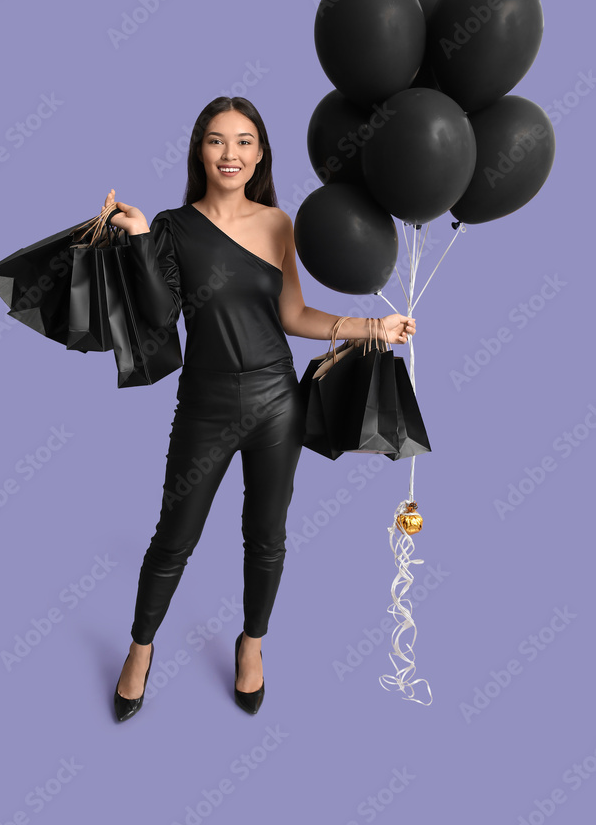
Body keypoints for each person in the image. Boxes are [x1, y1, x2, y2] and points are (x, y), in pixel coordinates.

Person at [106, 96, 416, 721]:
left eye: (244, 141)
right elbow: (163, 315)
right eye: (217, 140)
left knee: (266, 536)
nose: (231, 153)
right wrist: (139, 237)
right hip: (205, 401)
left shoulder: (279, 225)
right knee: (174, 537)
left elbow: (294, 315)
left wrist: (371, 327)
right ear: (200, 149)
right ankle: (139, 651)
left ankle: (253, 646)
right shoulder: (170, 225)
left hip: (277, 400)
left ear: (260, 153)